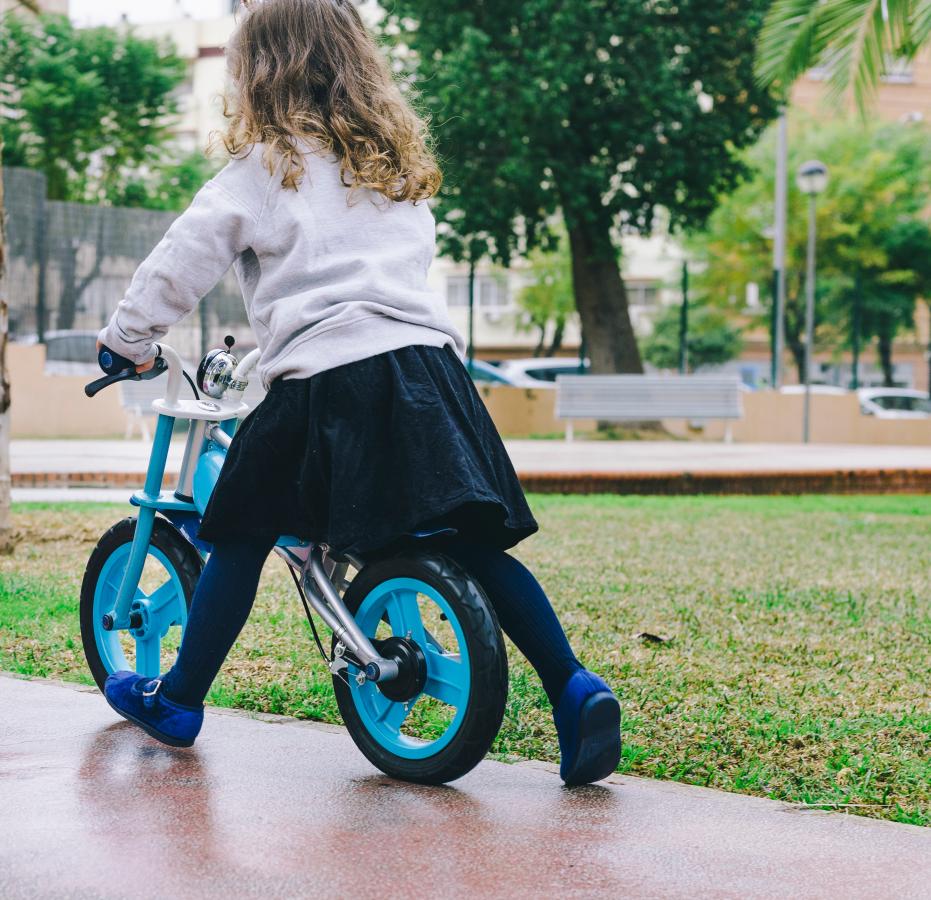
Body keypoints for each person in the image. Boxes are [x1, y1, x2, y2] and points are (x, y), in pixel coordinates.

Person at [95, 0, 620, 785]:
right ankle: (575, 685)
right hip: (427, 376)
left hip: (325, 377)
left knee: (239, 529)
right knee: (468, 543)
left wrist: (125, 339)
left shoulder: (264, 168)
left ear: (259, 74)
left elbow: (181, 262)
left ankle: (177, 697)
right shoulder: (394, 169)